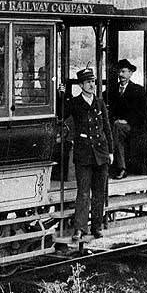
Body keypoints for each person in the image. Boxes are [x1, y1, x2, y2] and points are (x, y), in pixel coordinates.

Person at [61, 67, 114, 241]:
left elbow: (107, 127)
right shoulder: (75, 103)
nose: (92, 85)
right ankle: (80, 228)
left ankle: (97, 226)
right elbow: (61, 113)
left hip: (101, 153)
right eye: (88, 82)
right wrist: (61, 95)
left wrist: (111, 151)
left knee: (99, 192)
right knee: (83, 193)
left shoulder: (99, 103)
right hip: (83, 155)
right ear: (81, 85)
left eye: (93, 81)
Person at [107, 59, 147, 179]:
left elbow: (142, 113)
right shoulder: (112, 90)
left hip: (133, 127)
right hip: (116, 124)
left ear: (130, 73)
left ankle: (121, 168)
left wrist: (127, 120)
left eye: (124, 72)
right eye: (119, 72)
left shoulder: (138, 90)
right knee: (112, 126)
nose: (121, 75)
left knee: (117, 127)